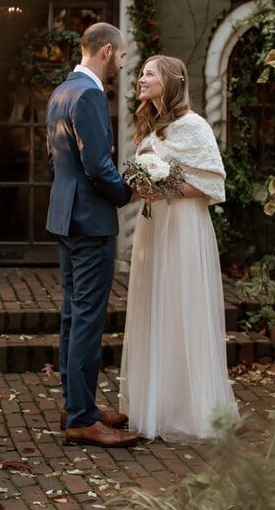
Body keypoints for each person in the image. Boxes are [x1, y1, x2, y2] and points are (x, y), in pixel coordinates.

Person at [120, 54, 240, 442]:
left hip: (184, 227)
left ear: (169, 81)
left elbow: (211, 187)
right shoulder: (151, 129)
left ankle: (192, 406)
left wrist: (163, 187)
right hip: (154, 229)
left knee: (182, 306)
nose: (140, 79)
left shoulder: (194, 126)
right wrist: (143, 187)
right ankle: (158, 403)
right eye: (140, 74)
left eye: (148, 74)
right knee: (156, 306)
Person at [45, 22, 140, 448]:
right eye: (121, 56)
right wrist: (126, 192)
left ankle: (76, 404)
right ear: (105, 51)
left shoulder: (60, 92)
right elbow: (99, 165)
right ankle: (82, 417)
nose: (122, 64)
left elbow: (58, 161)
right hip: (90, 220)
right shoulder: (89, 94)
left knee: (72, 315)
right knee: (86, 318)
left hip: (66, 216)